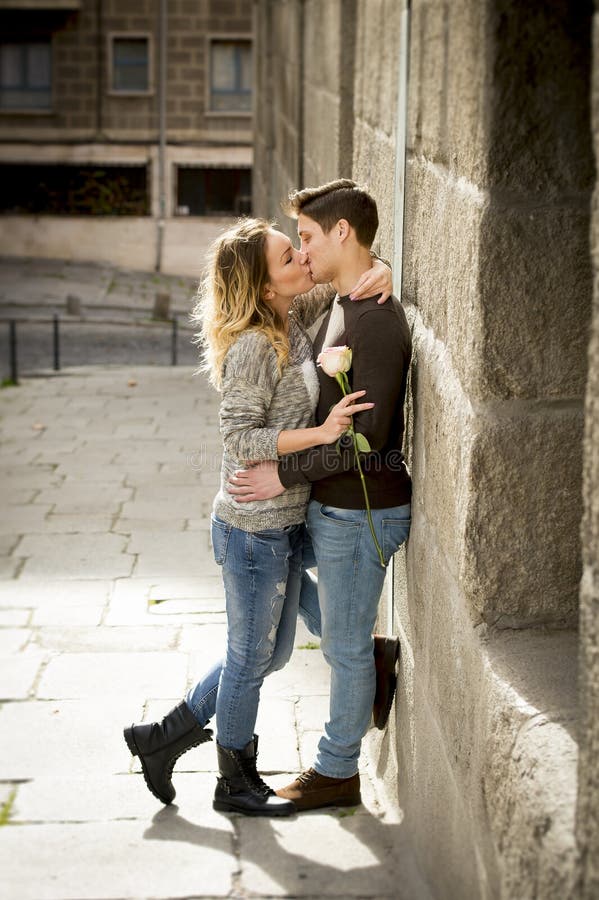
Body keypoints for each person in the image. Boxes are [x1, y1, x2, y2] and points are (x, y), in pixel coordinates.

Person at [123, 216, 392, 817]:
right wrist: (320, 432)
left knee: (267, 655)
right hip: (252, 531)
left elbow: (351, 277)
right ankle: (233, 784)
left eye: (299, 247)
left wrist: (384, 270)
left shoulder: (291, 318)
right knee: (251, 658)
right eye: (287, 256)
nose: (303, 257)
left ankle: (162, 738)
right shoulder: (252, 345)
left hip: (283, 519)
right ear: (267, 287)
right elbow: (241, 438)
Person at [227, 179, 412, 811]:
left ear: (342, 234)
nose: (303, 253)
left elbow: (368, 441)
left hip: (359, 509)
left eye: (307, 238)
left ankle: (337, 771)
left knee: (338, 646)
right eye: (294, 246)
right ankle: (374, 662)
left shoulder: (376, 319)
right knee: (293, 600)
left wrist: (284, 475)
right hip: (331, 508)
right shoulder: (335, 305)